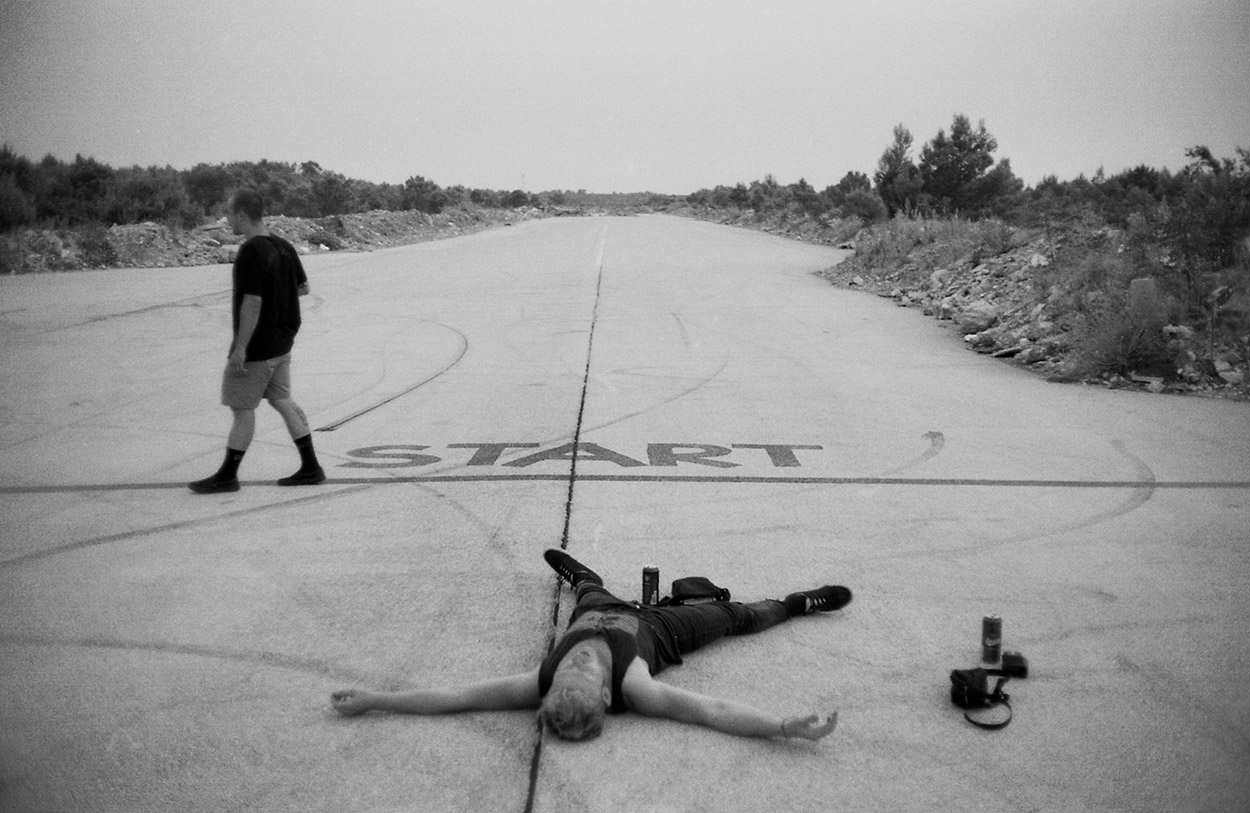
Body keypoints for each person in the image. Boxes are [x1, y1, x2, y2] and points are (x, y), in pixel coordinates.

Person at [329, 549, 850, 741]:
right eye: (583, 674)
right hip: (663, 629)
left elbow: (454, 697)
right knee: (744, 616)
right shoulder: (636, 689)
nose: (574, 662)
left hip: (596, 610)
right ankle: (802, 602)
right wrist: (783, 727)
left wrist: (378, 699)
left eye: (565, 673)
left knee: (587, 589)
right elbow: (711, 711)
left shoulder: (541, 684)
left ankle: (580, 573)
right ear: (606, 697)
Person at [189, 188, 325, 493]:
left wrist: (240, 348)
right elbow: (302, 288)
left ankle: (227, 475)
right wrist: (280, 291)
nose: (226, 219)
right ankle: (312, 466)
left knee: (242, 409)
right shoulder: (284, 247)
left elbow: (252, 302)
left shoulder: (251, 251)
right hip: (282, 344)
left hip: (258, 348)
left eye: (228, 213)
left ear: (240, 215)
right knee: (282, 400)